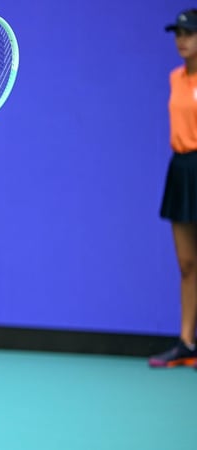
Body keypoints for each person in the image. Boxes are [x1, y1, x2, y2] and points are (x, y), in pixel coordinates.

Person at [148, 9, 197, 369]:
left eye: (189, 33)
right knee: (186, 263)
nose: (182, 40)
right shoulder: (175, 78)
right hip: (181, 169)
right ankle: (186, 343)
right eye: (178, 34)